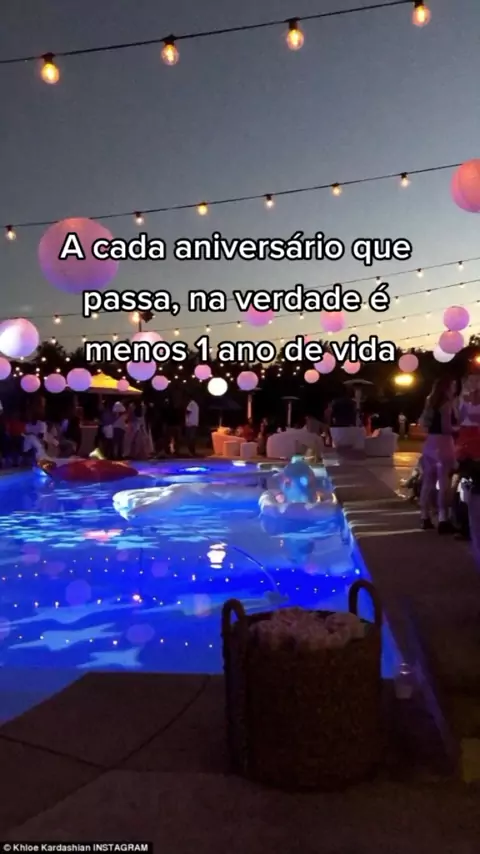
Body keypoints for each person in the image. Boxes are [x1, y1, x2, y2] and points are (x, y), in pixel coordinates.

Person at [418, 376, 458, 533]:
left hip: (430, 443)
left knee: (428, 482)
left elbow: (425, 423)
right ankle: (443, 519)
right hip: (444, 444)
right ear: (446, 387)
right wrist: (459, 428)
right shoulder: (446, 404)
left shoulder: (430, 402)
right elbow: (446, 427)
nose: (455, 388)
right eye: (453, 385)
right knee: (443, 483)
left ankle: (424, 517)